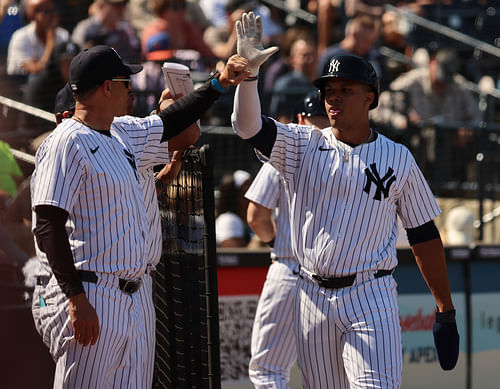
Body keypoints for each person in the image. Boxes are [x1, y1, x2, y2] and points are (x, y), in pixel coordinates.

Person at [231, 12, 459, 387]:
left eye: (345, 90)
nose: (333, 97)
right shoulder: (304, 144)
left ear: (370, 98)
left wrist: (445, 308)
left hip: (370, 292)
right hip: (310, 295)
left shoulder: (398, 157)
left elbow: (423, 235)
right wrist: (249, 77)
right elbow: (247, 127)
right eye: (328, 90)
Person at [30, 44, 248, 388]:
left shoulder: (122, 132)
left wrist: (219, 83)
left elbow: (173, 122)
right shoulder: (65, 142)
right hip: (93, 290)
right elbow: (47, 224)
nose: (131, 87)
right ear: (106, 87)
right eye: (125, 81)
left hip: (136, 296)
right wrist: (75, 298)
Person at [245, 91, 328, 388]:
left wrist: (273, 242)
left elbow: (256, 216)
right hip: (334, 280)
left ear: (302, 119)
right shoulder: (349, 155)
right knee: (326, 373)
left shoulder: (287, 152)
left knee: (268, 369)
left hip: (291, 270)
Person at [7, 0, 69, 76]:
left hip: (51, 85)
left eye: (54, 10)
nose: (53, 15)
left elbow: (68, 72)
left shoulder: (63, 35)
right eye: (47, 11)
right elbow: (36, 71)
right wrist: (51, 40)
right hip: (19, 85)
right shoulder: (20, 37)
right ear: (32, 16)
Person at [71, 0, 141, 62]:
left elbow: (134, 55)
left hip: (121, 73)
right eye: (116, 5)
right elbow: (78, 59)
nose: (122, 8)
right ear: (101, 6)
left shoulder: (126, 28)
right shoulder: (84, 28)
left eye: (124, 4)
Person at [269, 34, 317, 122]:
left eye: (313, 54)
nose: (310, 59)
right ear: (293, 59)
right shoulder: (286, 85)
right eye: (305, 56)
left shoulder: (321, 83)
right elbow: (282, 118)